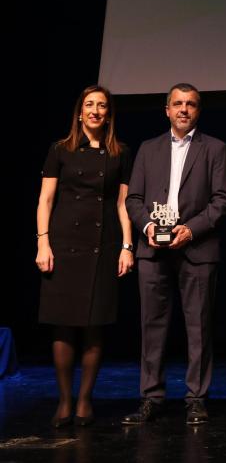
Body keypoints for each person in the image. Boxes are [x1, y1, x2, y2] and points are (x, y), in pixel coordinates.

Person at [122, 83, 226, 426]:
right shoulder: (147, 148)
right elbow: (133, 200)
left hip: (196, 249)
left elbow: (221, 201)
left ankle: (197, 397)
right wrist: (147, 228)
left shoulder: (214, 148)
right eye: (178, 104)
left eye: (191, 104)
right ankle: (151, 397)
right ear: (167, 110)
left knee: (198, 328)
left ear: (198, 111)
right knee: (151, 327)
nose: (184, 110)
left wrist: (191, 229)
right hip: (153, 251)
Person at [35, 85, 134, 427]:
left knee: (94, 326)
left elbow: (122, 204)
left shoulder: (120, 152)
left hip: (102, 244)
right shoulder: (60, 150)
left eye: (102, 105)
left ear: (109, 114)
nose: (95, 110)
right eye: (89, 104)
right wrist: (43, 243)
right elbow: (45, 200)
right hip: (63, 244)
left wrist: (127, 246)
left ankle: (84, 401)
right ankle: (64, 400)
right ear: (80, 112)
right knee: (63, 324)